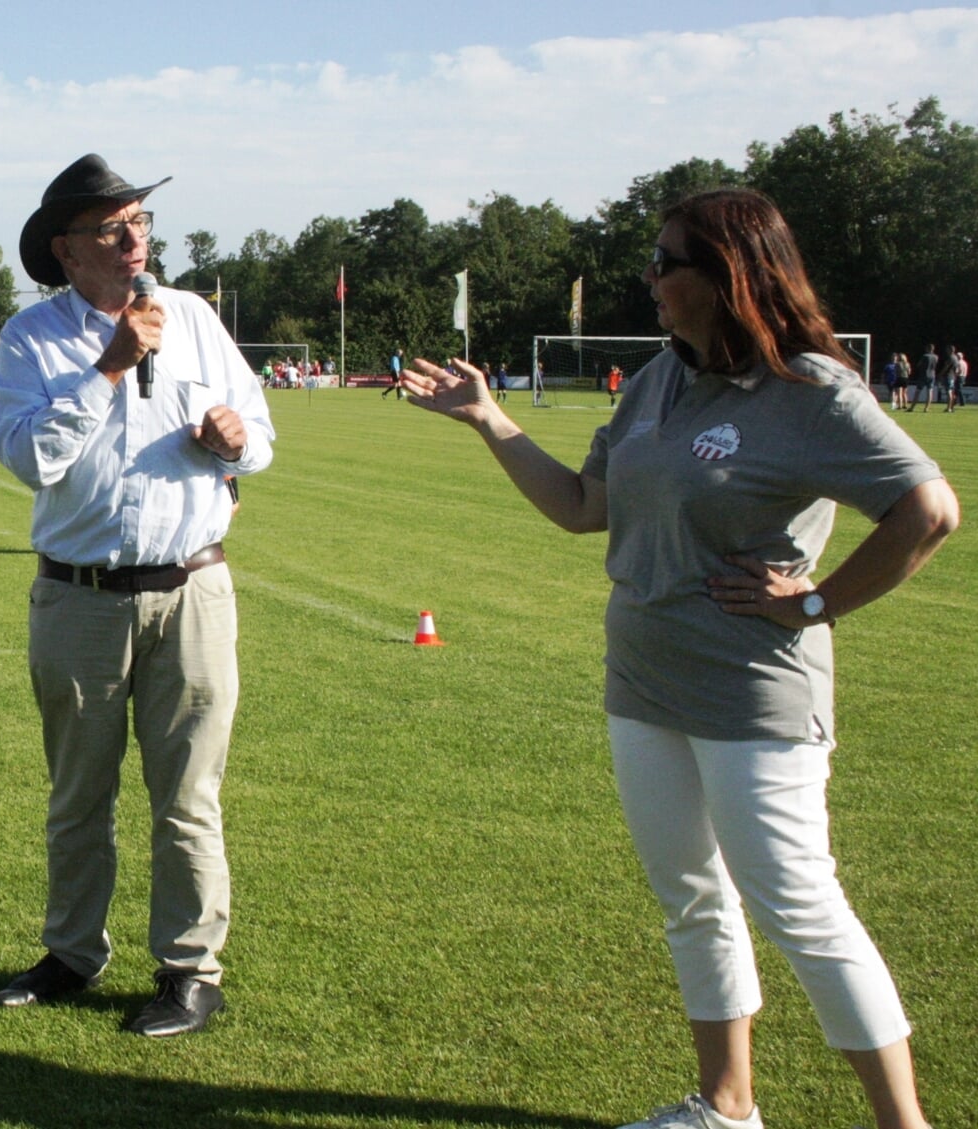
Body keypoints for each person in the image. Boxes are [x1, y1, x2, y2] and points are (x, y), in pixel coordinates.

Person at [399, 187, 957, 1129]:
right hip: (644, 681)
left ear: (730, 276)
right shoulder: (658, 378)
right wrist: (491, 421)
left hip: (752, 693)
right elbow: (584, 505)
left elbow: (927, 509)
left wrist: (817, 602)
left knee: (797, 906)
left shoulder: (809, 389)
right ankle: (725, 1106)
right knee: (691, 898)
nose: (650, 279)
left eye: (667, 263)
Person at [0, 153, 274, 1038]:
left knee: (187, 795)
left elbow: (258, 434)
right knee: (78, 793)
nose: (134, 240)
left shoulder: (190, 316)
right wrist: (107, 368)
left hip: (192, 589)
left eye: (139, 224)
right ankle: (73, 952)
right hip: (79, 600)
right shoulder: (29, 340)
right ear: (66, 252)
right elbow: (29, 457)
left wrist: (234, 437)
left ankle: (191, 969)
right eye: (112, 229)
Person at [910, 344, 936, 411]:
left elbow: (919, 364)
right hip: (932, 375)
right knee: (930, 391)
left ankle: (912, 407)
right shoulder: (936, 357)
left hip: (924, 375)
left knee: (918, 391)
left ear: (927, 348)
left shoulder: (925, 356)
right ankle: (926, 408)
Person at [943, 346, 965, 412]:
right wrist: (956, 374)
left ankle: (949, 408)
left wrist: (940, 374)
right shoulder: (957, 359)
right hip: (955, 377)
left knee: (949, 392)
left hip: (950, 376)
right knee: (953, 392)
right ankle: (952, 407)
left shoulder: (951, 358)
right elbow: (959, 370)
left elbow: (946, 367)